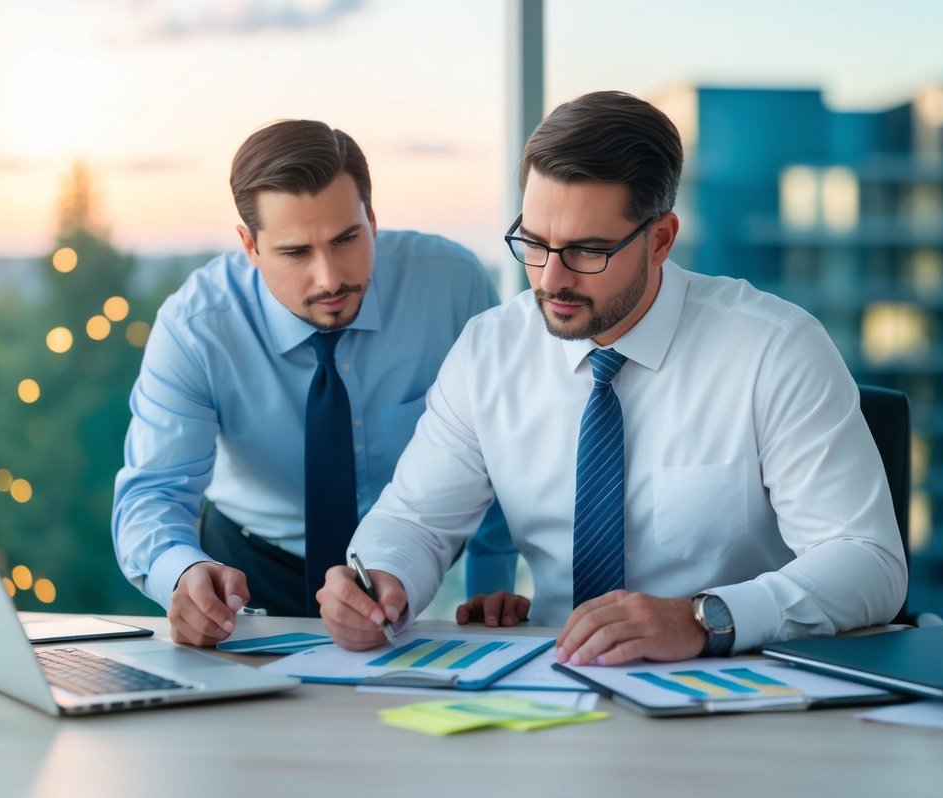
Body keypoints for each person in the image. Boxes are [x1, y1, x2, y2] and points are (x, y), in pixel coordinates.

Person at [318, 90, 907, 666]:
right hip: (554, 680)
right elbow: (414, 521)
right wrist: (380, 580)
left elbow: (867, 561)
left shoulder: (774, 350)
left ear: (661, 239)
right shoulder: (489, 351)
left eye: (587, 251)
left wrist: (705, 618)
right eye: (536, 243)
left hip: (734, 686)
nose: (550, 279)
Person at [112, 119, 516, 646]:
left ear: (372, 218)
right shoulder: (196, 328)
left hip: (410, 573)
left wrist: (490, 587)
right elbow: (153, 492)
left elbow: (499, 450)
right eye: (295, 252)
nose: (329, 277)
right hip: (250, 576)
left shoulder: (451, 286)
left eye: (347, 238)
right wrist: (183, 575)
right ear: (250, 246)